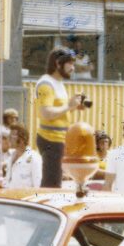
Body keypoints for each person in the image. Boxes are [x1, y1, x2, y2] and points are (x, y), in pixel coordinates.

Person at [36, 47, 87, 188]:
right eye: (70, 64)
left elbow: (59, 111)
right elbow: (46, 113)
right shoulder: (46, 84)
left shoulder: (58, 83)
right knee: (51, 183)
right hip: (50, 140)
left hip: (58, 140)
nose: (73, 68)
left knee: (55, 181)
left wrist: (74, 106)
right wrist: (69, 106)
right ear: (58, 63)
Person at [4, 124, 42, 189]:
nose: (9, 138)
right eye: (9, 135)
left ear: (22, 139)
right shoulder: (11, 156)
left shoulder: (34, 157)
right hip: (9, 196)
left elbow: (37, 185)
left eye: (12, 135)